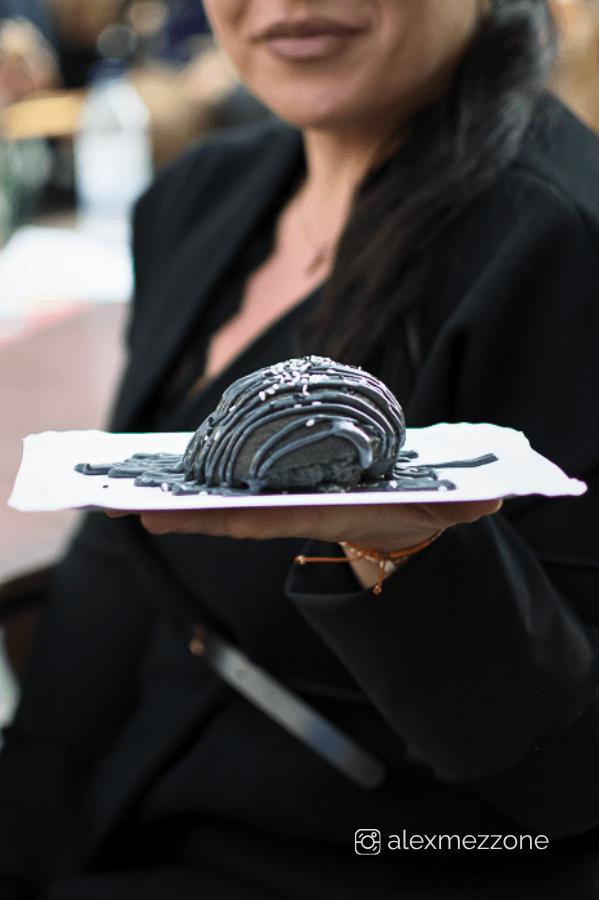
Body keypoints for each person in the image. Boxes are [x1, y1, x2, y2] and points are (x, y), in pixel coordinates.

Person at [1, 0, 599, 897]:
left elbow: (569, 770)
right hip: (137, 795)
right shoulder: (200, 194)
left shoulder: (560, 242)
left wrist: (404, 547)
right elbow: (117, 561)